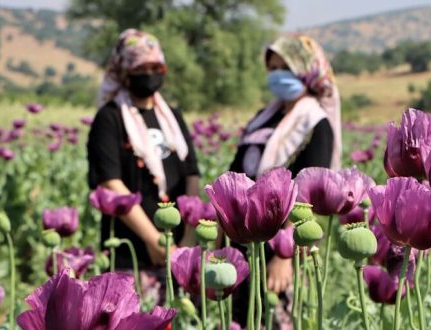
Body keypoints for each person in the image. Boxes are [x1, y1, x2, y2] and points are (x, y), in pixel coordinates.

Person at [228, 34, 341, 327]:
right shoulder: (263, 118)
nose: (277, 75)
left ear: (306, 70)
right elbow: (236, 170)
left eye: (285, 67)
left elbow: (308, 195)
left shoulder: (316, 124)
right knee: (241, 318)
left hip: (281, 246)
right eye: (272, 68)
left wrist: (284, 255)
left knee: (273, 317)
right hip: (244, 235)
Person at [87, 29, 200, 300]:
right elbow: (110, 182)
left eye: (155, 66)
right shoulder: (109, 118)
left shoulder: (172, 116)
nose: (149, 72)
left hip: (179, 247)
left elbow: (191, 174)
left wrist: (187, 237)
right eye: (141, 67)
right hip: (132, 251)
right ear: (125, 71)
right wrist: (155, 241)